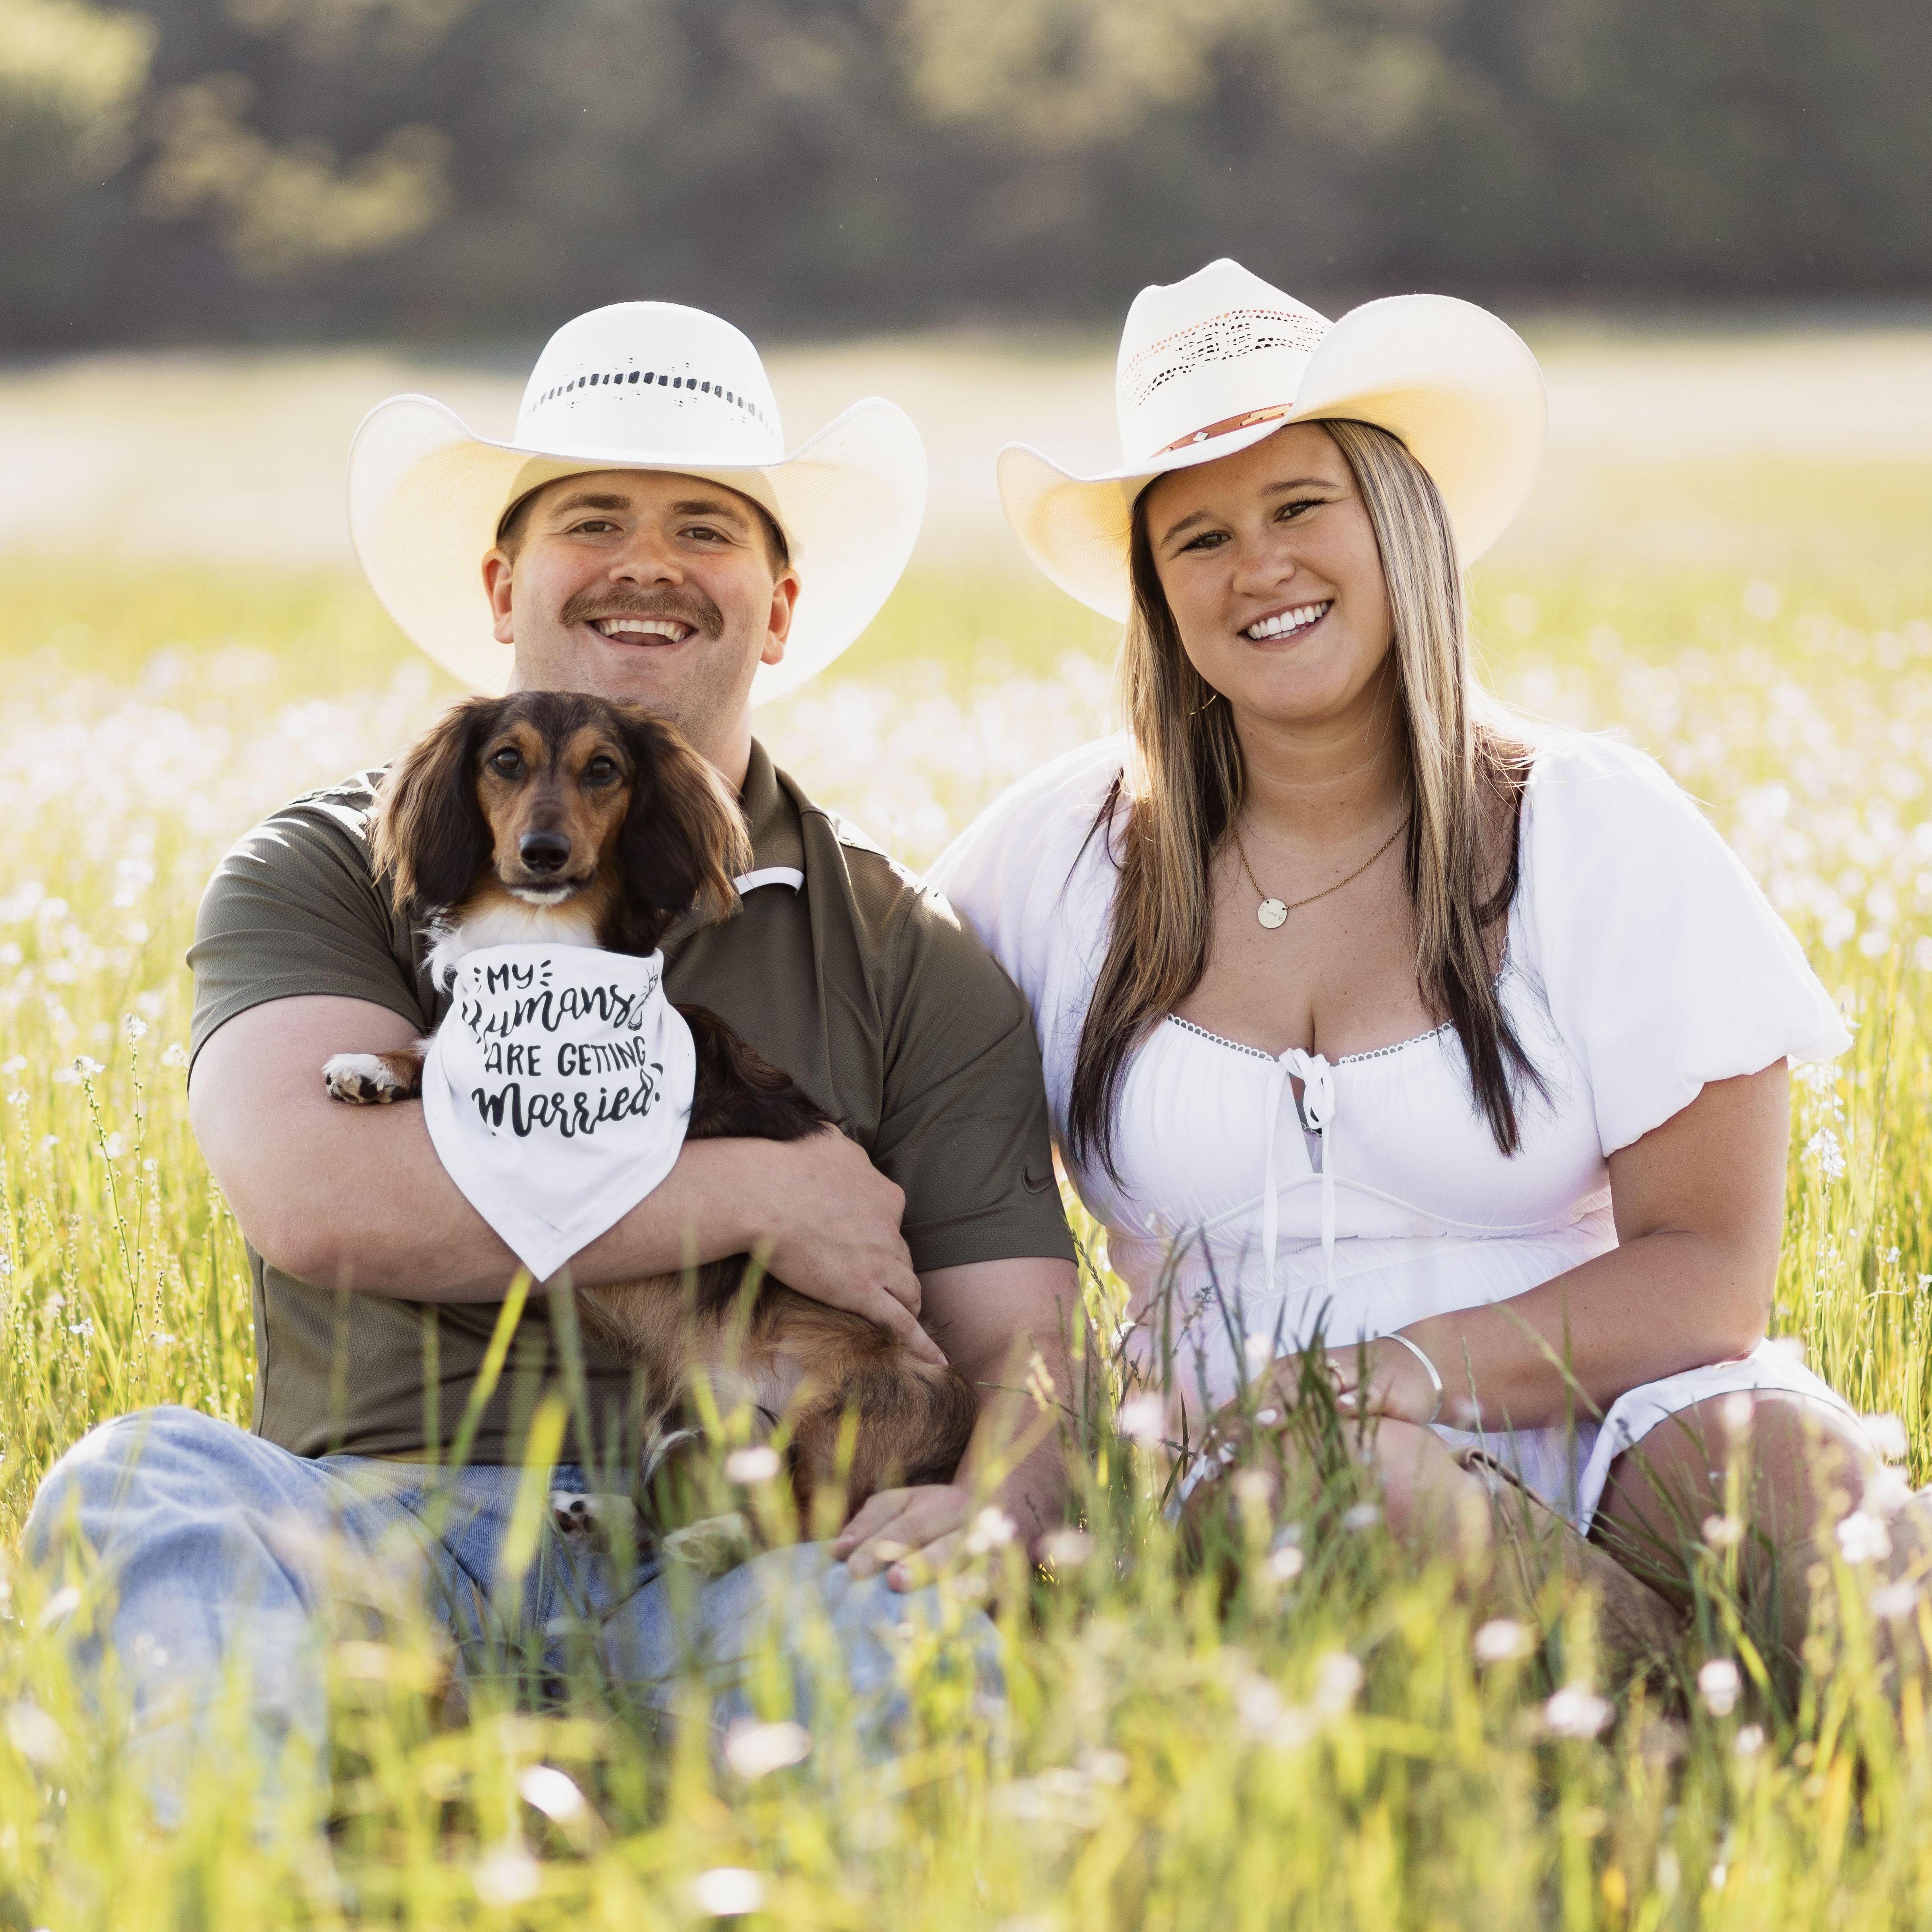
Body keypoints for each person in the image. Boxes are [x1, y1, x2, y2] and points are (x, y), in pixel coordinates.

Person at [27, 300, 1077, 1805]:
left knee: (893, 1636)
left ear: (779, 607)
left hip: (749, 1554)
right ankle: (264, 1867)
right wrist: (758, 1200)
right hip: (382, 1527)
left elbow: (1020, 1344)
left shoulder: (906, 947)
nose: (647, 562)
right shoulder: (329, 865)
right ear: (503, 584)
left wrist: (994, 1511)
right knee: (142, 1482)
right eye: (595, 519)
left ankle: (613, 1823)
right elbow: (321, 1199)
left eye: (704, 526)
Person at [931, 258, 1921, 1667]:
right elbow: (879, 1075)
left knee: (1792, 1477)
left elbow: (1709, 1276)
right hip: (1269, 1474)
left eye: (1299, 506)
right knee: (1360, 1489)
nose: (1259, 566)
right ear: (1158, 595)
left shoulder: (1591, 824)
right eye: (1201, 537)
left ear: (1398, 521)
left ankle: (1839, 1748)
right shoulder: (1058, 856)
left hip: (1619, 1420)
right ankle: (1678, 1736)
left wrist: (1391, 1373)